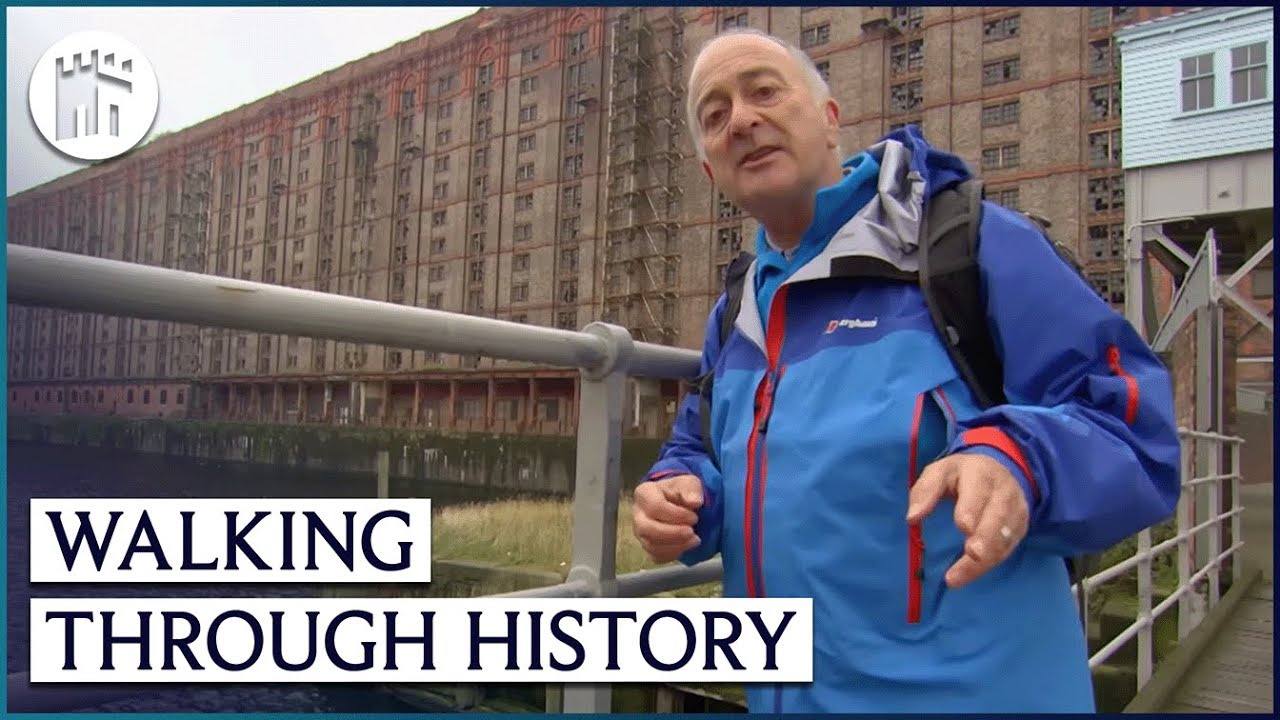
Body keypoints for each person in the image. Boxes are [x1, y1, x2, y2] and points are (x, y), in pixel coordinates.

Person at [631, 28, 1181, 714]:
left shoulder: (966, 248)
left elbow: (1135, 430)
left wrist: (1018, 460)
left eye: (764, 91)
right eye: (714, 116)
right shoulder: (738, 310)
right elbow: (701, 447)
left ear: (830, 121)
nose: (741, 119)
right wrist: (681, 496)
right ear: (712, 171)